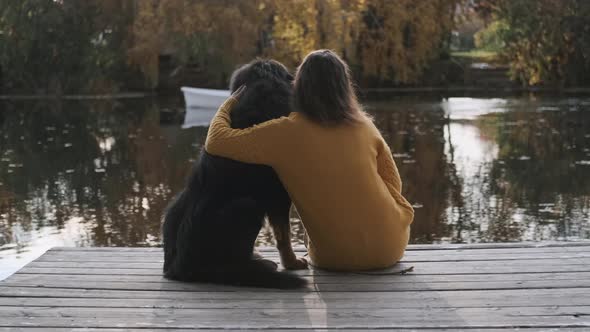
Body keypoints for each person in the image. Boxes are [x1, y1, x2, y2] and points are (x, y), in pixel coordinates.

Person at [205, 50, 414, 270]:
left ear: (299, 85)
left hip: (334, 258)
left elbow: (216, 141)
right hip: (392, 247)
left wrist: (230, 102)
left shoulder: (285, 131)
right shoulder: (365, 126)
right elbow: (393, 183)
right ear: (346, 87)